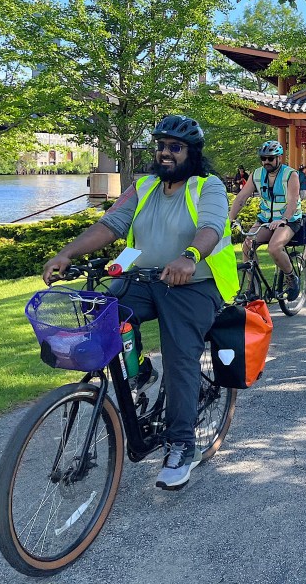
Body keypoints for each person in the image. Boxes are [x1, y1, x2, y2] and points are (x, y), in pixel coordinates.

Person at [42, 115, 237, 491]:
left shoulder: (207, 186)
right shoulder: (144, 186)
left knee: (179, 355)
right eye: (161, 146)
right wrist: (67, 253)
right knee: (101, 311)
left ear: (192, 153)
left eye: (175, 147)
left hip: (195, 283)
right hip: (144, 279)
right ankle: (140, 370)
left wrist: (190, 256)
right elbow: (110, 224)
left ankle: (181, 445)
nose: (165, 153)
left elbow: (212, 227)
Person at [228, 140, 303, 301]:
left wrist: (283, 219)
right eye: (263, 158)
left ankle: (291, 278)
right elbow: (241, 197)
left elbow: (292, 201)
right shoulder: (256, 174)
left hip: (289, 220)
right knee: (247, 246)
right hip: (265, 220)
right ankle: (253, 289)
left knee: (274, 248)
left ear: (279, 158)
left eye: (270, 158)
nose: (266, 162)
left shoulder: (290, 175)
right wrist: (229, 219)